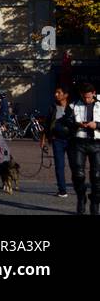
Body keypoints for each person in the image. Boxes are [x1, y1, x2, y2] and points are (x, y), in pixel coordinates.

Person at [66, 82, 99, 216]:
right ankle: (81, 197)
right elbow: (66, 121)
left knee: (97, 176)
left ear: (94, 93)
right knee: (78, 174)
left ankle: (95, 201)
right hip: (79, 142)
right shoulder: (73, 105)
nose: (86, 100)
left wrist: (96, 124)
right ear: (81, 95)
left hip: (97, 143)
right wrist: (75, 123)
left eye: (89, 97)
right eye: (84, 97)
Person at [42, 85, 74, 198]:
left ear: (65, 95)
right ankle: (62, 190)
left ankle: (78, 187)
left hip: (71, 140)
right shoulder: (52, 107)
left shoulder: (72, 107)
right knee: (59, 166)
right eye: (55, 92)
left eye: (59, 92)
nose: (56, 94)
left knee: (75, 165)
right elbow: (46, 124)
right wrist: (44, 140)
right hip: (57, 140)